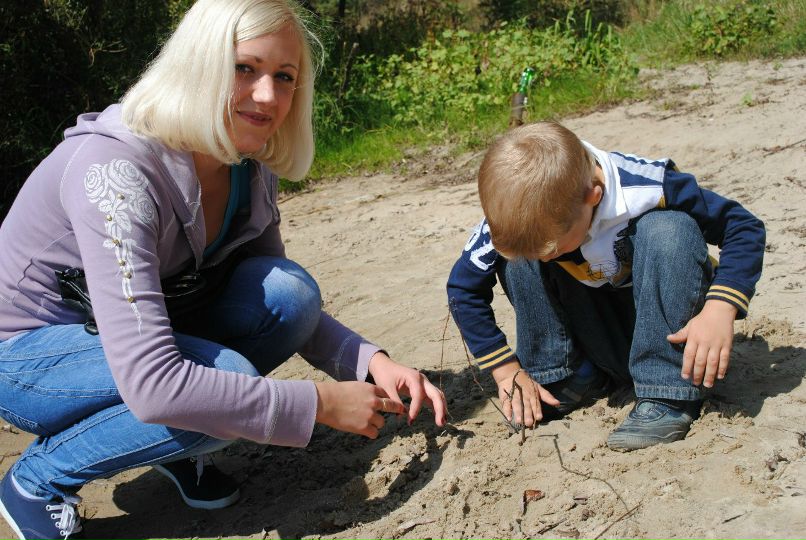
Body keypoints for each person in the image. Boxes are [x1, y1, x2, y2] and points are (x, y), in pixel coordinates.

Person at [0, 1, 447, 538]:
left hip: (129, 337)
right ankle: (39, 479)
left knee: (288, 293)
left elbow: (279, 296)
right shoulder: (115, 173)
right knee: (227, 387)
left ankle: (174, 444)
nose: (267, 96)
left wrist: (369, 362)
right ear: (199, 62)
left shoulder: (246, 164)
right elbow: (156, 385)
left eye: (285, 77)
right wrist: (316, 404)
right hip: (27, 360)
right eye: (244, 68)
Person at [447, 121, 764, 451]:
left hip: (668, 335)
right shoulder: (520, 211)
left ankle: (666, 394)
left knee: (670, 230)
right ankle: (565, 378)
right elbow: (462, 290)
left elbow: (743, 227)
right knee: (517, 253)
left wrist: (720, 309)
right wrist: (505, 370)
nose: (548, 256)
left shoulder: (648, 186)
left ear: (593, 196)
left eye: (553, 249)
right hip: (596, 336)